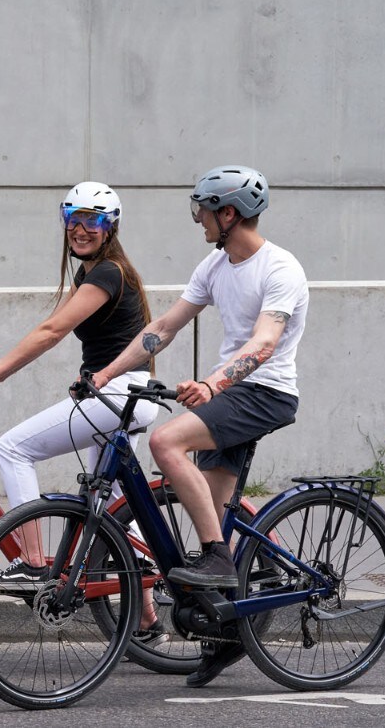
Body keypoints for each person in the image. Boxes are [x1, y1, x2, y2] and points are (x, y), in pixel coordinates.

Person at [91, 164, 308, 687]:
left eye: (203, 211)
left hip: (265, 391)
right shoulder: (215, 265)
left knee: (166, 440)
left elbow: (263, 344)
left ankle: (216, 558)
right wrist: (104, 373)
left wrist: (212, 385)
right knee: (210, 508)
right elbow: (163, 327)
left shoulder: (280, 269)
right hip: (234, 391)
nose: (198, 220)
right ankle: (227, 632)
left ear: (229, 213)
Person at [0, 181, 163, 640]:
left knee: (12, 448)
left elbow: (52, 330)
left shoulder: (108, 273)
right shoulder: (94, 273)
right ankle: (148, 617)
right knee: (108, 507)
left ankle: (32, 565)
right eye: (73, 218)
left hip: (115, 399)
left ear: (111, 227)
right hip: (124, 397)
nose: (81, 228)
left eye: (93, 219)